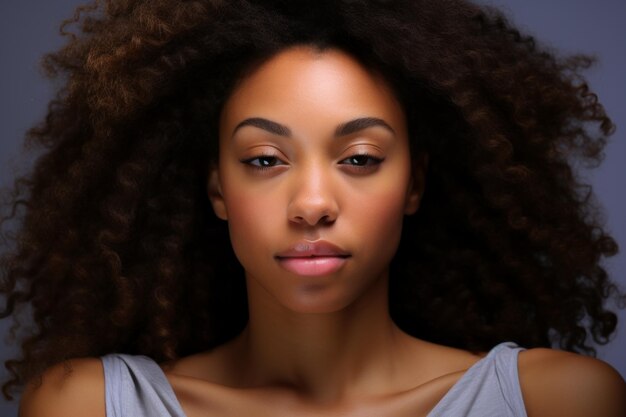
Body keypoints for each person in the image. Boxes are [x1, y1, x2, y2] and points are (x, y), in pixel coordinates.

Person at [1, 0, 625, 416]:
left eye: (359, 158)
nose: (313, 205)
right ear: (217, 188)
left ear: (415, 183)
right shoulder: (89, 405)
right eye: (266, 160)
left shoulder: (555, 401)